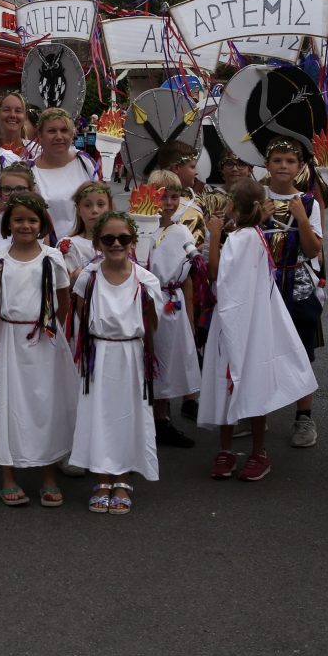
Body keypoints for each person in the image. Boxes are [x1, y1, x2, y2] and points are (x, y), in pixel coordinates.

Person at [200, 179, 319, 481]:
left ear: (232, 207)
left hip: (236, 322)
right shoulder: (253, 234)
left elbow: (216, 274)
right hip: (252, 320)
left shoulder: (241, 238)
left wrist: (214, 236)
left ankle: (239, 450)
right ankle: (253, 451)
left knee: (232, 381)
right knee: (250, 381)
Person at [70, 211, 163, 515]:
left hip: (131, 355)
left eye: (123, 238)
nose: (116, 243)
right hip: (98, 353)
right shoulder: (89, 277)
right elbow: (81, 318)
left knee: (127, 415)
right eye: (108, 238)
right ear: (98, 243)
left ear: (133, 241)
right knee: (98, 415)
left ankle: (122, 479)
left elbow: (152, 324)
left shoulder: (145, 279)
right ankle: (101, 478)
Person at [0, 193, 76, 507]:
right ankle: (8, 477)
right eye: (19, 219)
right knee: (10, 408)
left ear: (42, 224)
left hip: (45, 338)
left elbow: (63, 301)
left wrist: (50, 328)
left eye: (32, 220)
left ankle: (48, 475)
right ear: (8, 223)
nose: (25, 225)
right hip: (10, 340)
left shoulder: (52, 257)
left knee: (45, 407)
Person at [260, 137, 325, 449]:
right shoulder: (256, 198)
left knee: (301, 351)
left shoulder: (309, 203)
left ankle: (304, 416)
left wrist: (301, 219)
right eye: (277, 161)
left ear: (299, 167)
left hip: (296, 285)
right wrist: (257, 218)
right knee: (260, 350)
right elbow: (237, 239)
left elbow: (314, 250)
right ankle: (258, 412)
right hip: (261, 285)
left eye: (289, 161)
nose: (283, 166)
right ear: (267, 165)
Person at [144, 170, 200, 449]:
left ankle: (162, 419)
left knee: (167, 363)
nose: (168, 203)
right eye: (162, 196)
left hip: (173, 304)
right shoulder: (142, 229)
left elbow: (188, 277)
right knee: (150, 361)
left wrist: (189, 317)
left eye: (174, 197)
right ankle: (146, 422)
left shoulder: (181, 230)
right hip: (149, 302)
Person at [32, 107, 98, 240]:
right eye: (51, 131)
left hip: (87, 249)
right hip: (50, 250)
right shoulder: (30, 172)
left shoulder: (84, 162)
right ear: (40, 135)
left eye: (64, 130)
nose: (59, 136)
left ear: (72, 133)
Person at [154, 140, 207, 247]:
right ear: (177, 168)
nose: (196, 172)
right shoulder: (192, 214)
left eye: (174, 197)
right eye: (192, 167)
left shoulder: (145, 202)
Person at [57, 182, 111, 282]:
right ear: (78, 210)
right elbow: (62, 286)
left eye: (100, 204)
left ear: (109, 207)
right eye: (87, 205)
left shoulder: (120, 241)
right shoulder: (69, 245)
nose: (94, 210)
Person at [0, 91, 41, 161]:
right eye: (7, 110)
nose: (12, 115)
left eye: (18, 111)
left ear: (25, 116)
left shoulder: (36, 151)